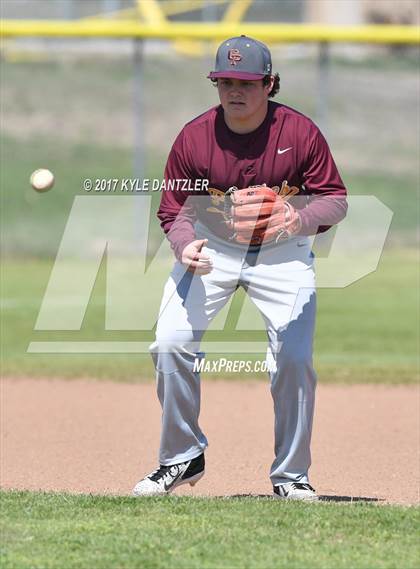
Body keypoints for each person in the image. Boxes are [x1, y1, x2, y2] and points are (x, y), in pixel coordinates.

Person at [132, 35, 347, 501]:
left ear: (269, 84)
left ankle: (290, 476)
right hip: (214, 249)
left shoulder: (299, 133)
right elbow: (174, 210)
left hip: (282, 252)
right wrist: (184, 245)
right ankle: (181, 457)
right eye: (225, 81)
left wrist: (297, 218)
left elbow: (335, 201)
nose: (235, 90)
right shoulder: (194, 137)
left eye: (247, 82)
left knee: (293, 359)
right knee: (169, 343)